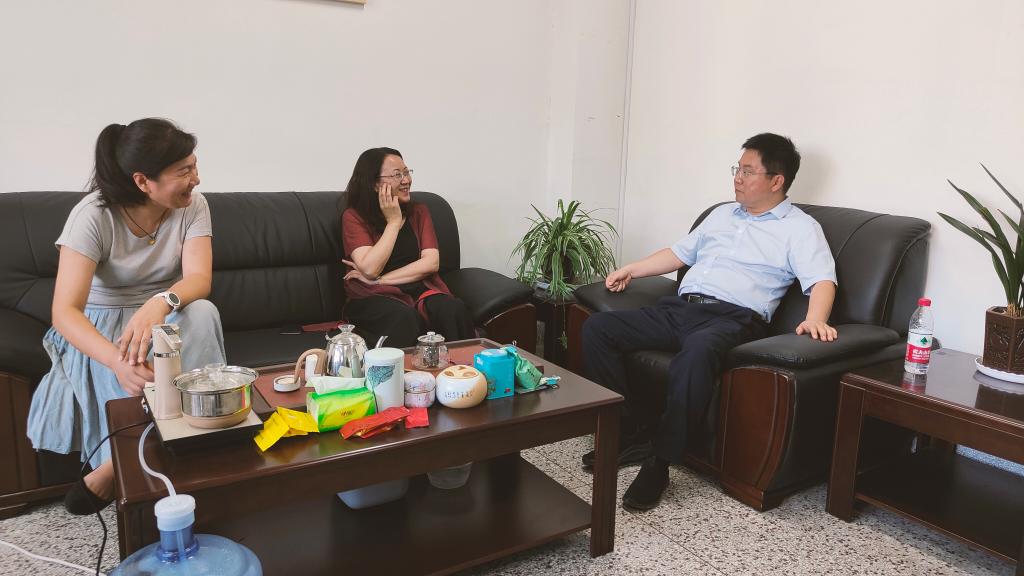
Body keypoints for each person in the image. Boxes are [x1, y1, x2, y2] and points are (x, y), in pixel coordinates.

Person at [581, 133, 838, 511]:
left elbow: (822, 280)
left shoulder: (799, 228)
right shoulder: (722, 214)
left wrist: (815, 319)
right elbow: (678, 254)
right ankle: (629, 432)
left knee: (696, 355)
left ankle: (660, 462)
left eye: (747, 171)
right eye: (737, 169)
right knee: (599, 328)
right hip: (681, 309)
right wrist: (632, 269)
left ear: (776, 181)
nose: (737, 178)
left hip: (733, 319)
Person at [26, 118, 226, 515]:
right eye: (183, 171)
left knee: (203, 312)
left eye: (194, 166)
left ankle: (121, 464)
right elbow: (64, 311)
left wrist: (160, 302)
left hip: (165, 313)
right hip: (103, 324)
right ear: (142, 181)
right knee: (135, 371)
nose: (196, 179)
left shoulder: (193, 205)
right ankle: (139, 462)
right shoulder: (92, 216)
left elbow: (199, 280)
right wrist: (117, 361)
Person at [341, 147, 474, 348]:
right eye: (397, 175)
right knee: (405, 319)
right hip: (372, 296)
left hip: (417, 289)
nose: (406, 180)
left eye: (406, 172)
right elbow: (370, 268)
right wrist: (393, 222)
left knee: (453, 309)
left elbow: (431, 263)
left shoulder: (419, 212)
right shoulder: (354, 217)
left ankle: (463, 367)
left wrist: (380, 280)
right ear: (375, 184)